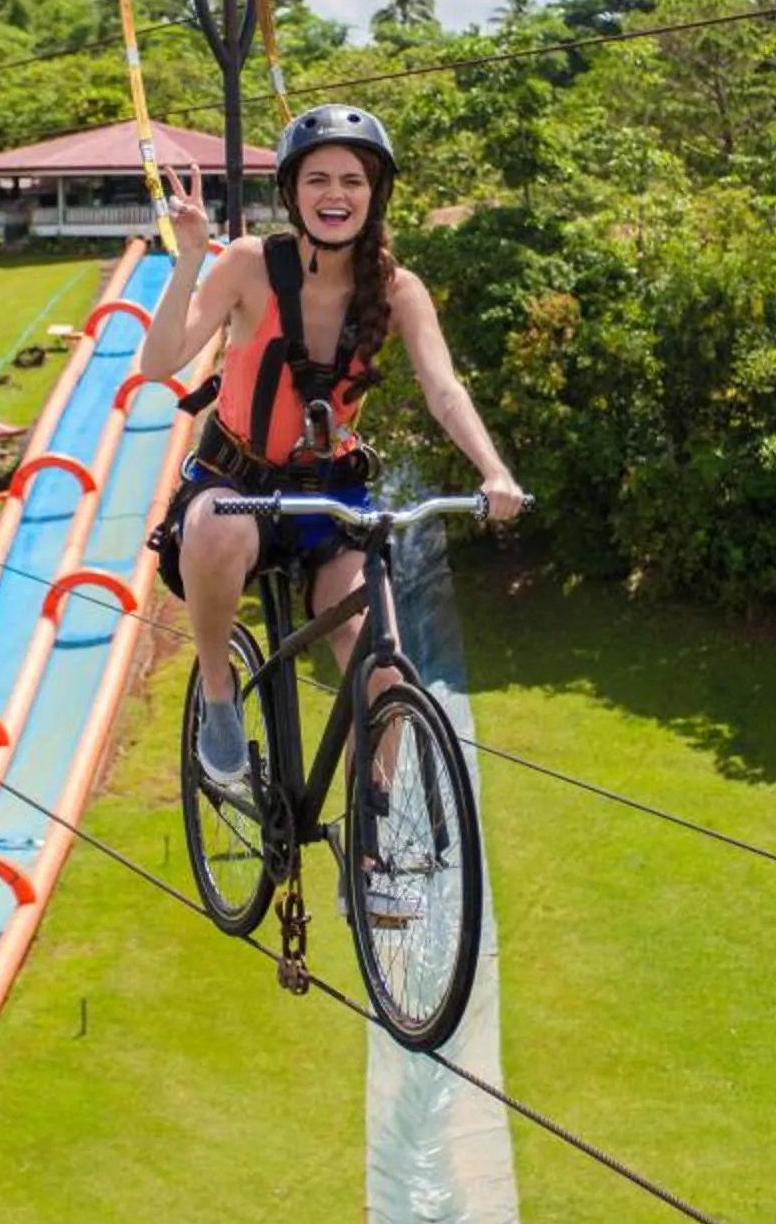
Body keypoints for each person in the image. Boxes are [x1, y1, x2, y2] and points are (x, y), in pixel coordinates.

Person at [139, 105, 525, 806]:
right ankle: (220, 700)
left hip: (328, 495)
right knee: (218, 522)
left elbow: (443, 389)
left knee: (384, 669)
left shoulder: (398, 290)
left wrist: (493, 470)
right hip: (238, 482)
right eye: (317, 179)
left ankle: (371, 846)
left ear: (375, 193)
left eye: (352, 179)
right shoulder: (249, 265)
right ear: (292, 194)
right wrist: (190, 259)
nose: (335, 194)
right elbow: (161, 360)